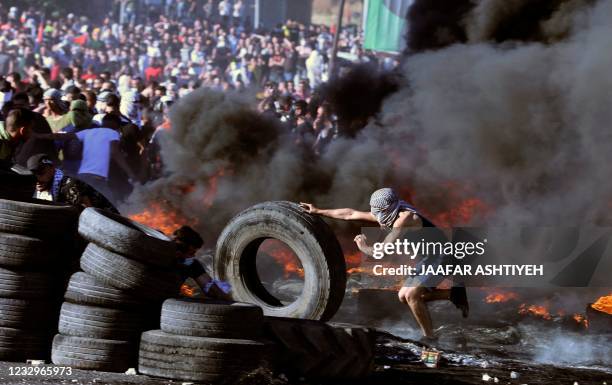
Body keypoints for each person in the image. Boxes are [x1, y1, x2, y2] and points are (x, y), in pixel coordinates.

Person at [300, 188, 469, 340]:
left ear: (388, 208)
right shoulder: (391, 210)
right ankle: (453, 295)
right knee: (403, 296)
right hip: (429, 256)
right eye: (375, 212)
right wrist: (318, 210)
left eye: (379, 212)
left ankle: (429, 337)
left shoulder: (404, 220)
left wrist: (363, 247)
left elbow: (382, 251)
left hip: (443, 255)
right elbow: (350, 214)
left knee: (411, 295)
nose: (377, 216)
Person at [26, 153, 117, 212]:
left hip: (107, 218)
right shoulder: (40, 185)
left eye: (41, 173)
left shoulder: (69, 185)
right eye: (34, 175)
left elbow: (89, 214)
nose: (38, 178)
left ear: (52, 168)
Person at [171, 226, 232, 301]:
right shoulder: (160, 254)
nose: (193, 256)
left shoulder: (192, 265)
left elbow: (210, 288)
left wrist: (227, 299)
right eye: (191, 252)